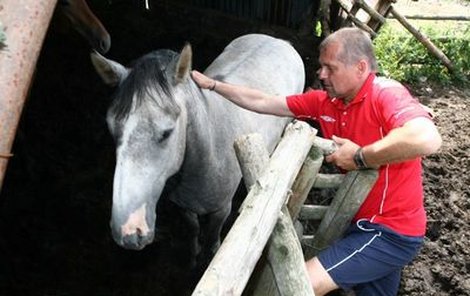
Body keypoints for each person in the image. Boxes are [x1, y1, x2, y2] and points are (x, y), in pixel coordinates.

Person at [191, 27, 442, 296]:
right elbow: (264, 101)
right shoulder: (327, 103)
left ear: (360, 67)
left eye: (330, 68)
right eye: (321, 67)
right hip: (360, 225)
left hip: (388, 231)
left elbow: (427, 138)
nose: (321, 74)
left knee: (300, 285)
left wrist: (360, 157)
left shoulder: (385, 93)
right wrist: (214, 86)